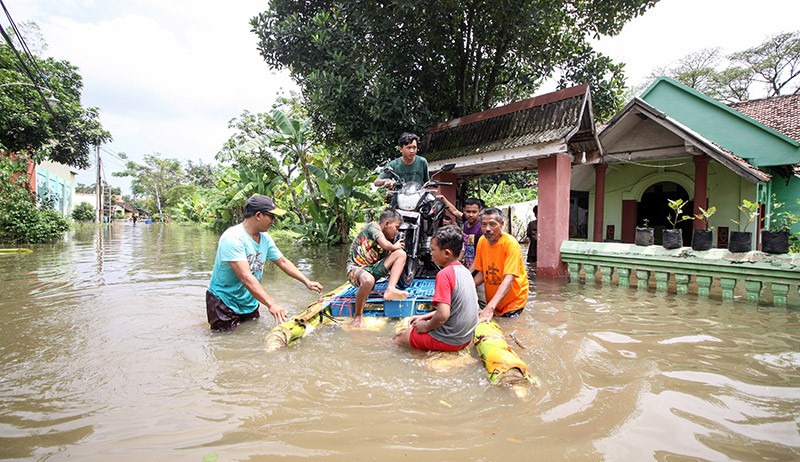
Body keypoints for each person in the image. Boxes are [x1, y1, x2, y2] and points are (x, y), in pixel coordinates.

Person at [206, 194, 323, 331]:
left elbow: (282, 261)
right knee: (226, 340)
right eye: (271, 216)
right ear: (258, 215)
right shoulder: (232, 238)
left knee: (249, 334)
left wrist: (306, 281)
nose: (273, 221)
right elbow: (246, 277)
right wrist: (272, 304)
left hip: (249, 300)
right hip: (224, 302)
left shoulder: (265, 238)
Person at [393, 225, 478, 351]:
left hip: (448, 341)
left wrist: (426, 326)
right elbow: (455, 308)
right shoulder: (465, 271)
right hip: (465, 339)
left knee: (398, 337)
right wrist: (425, 317)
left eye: (433, 250)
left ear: (447, 253)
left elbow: (443, 315)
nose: (430, 253)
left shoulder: (444, 274)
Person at [346, 208, 410, 327]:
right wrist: (394, 246)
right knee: (368, 280)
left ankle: (390, 289)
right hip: (356, 269)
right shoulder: (373, 227)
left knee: (401, 254)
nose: (397, 232)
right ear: (386, 223)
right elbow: (385, 245)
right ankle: (358, 315)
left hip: (373, 269)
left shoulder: (389, 238)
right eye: (396, 227)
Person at [472, 207, 529, 322]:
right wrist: (466, 287)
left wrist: (489, 308)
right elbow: (483, 273)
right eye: (484, 225)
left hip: (513, 301)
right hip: (494, 300)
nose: (487, 229)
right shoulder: (482, 241)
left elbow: (509, 279)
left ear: (501, 224)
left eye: (492, 224)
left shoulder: (510, 244)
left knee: (510, 327)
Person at [438, 196, 484, 269]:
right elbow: (454, 211)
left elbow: (481, 255)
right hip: (467, 264)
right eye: (468, 211)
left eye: (474, 212)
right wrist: (443, 199)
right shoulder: (466, 222)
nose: (471, 215)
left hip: (477, 267)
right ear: (464, 210)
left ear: (480, 211)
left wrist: (469, 272)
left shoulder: (481, 228)